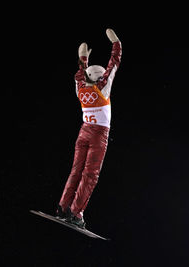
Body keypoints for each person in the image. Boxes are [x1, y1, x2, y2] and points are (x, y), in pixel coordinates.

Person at [56, 29, 122, 228]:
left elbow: (80, 72)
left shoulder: (80, 87)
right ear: (100, 78)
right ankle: (76, 214)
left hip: (83, 132)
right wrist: (117, 44)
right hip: (98, 135)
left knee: (76, 171)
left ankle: (62, 207)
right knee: (90, 175)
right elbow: (114, 64)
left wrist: (83, 57)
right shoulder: (103, 88)